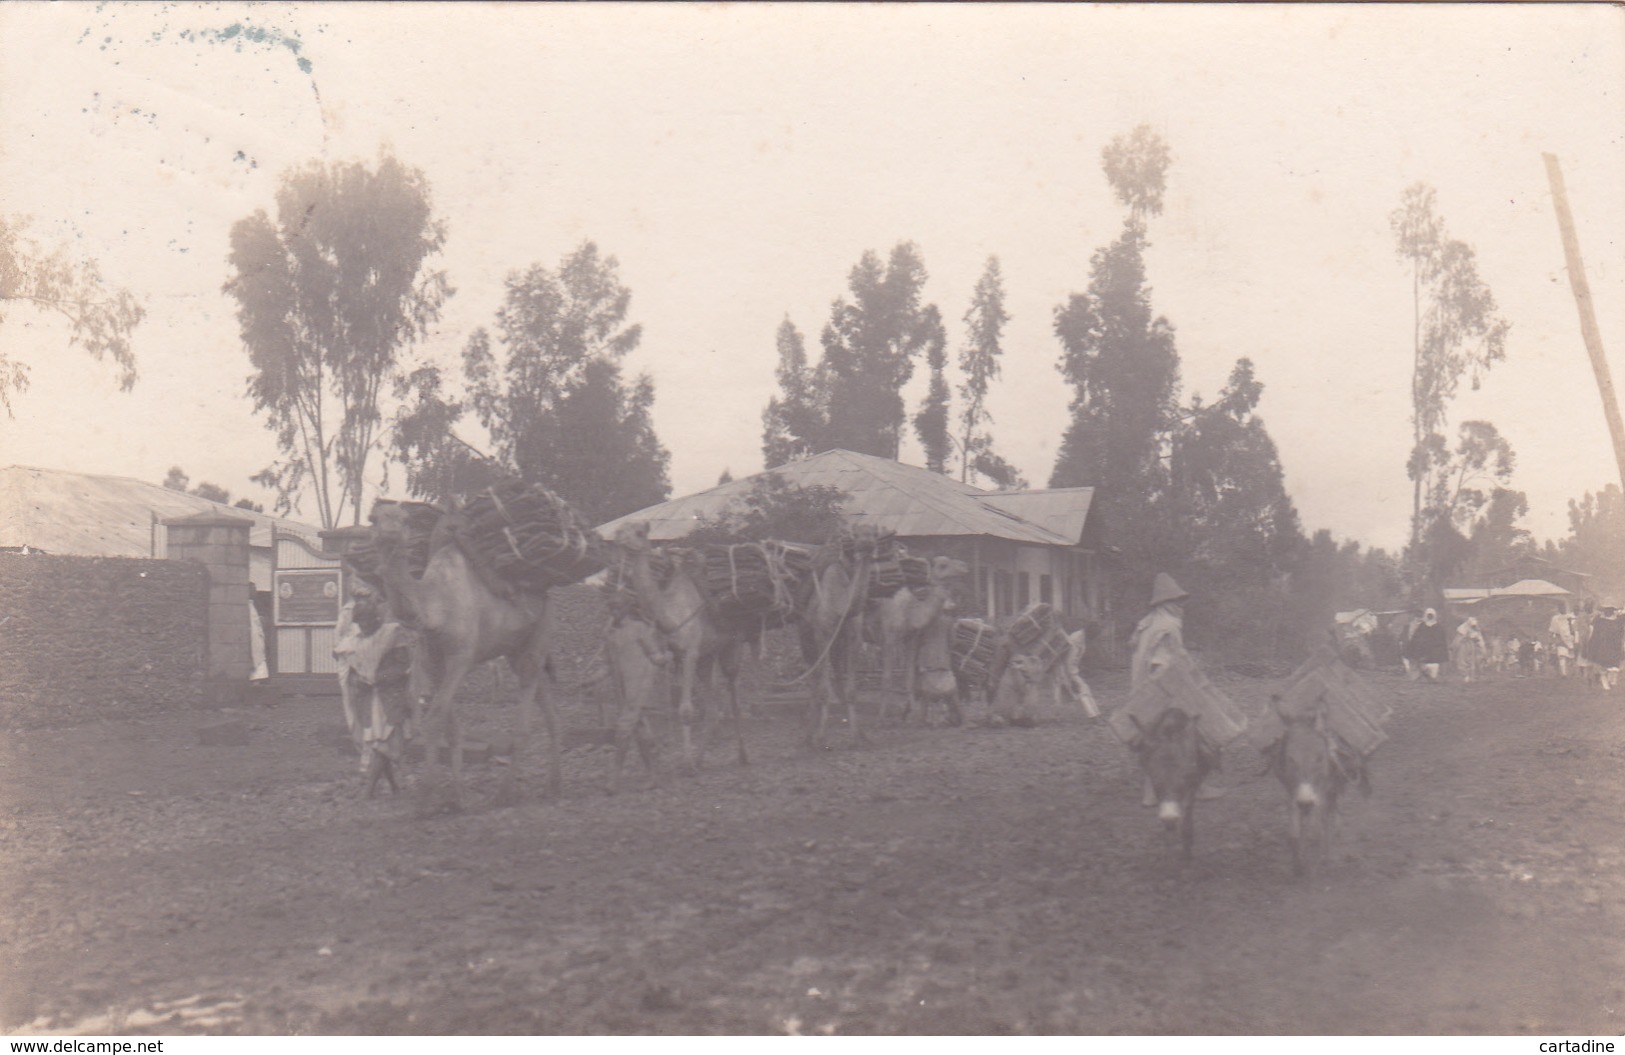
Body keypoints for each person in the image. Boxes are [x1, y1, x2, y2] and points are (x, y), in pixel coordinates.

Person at [1127, 573, 1219, 804]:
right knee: (1196, 729)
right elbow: (1166, 662)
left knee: (1153, 738)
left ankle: (1150, 794)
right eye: (1176, 601)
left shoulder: (1147, 624)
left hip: (1143, 690)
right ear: (1165, 603)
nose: (1180, 606)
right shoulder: (1169, 625)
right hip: (1162, 688)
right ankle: (1198, 786)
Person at [1583, 602, 1623, 692]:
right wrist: (1590, 643)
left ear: (1612, 611)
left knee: (1614, 668)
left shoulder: (1618, 621)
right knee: (1603, 667)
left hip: (1614, 646)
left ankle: (1610, 682)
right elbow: (1592, 632)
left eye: (1609, 610)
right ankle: (1606, 687)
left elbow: (1621, 633)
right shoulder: (1599, 621)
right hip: (1602, 646)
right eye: (1606, 610)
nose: (1607, 611)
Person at [1404, 608, 1448, 682]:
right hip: (1422, 649)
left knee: (1434, 666)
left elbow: (1441, 640)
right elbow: (1416, 638)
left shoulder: (1438, 627)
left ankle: (1434, 677)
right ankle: (1421, 676)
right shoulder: (1422, 626)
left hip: (1434, 650)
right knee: (1420, 662)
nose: (1430, 617)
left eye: (1431, 615)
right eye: (1428, 615)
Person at [1451, 616, 1487, 683]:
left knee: (1472, 661)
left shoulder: (1477, 630)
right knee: (1463, 660)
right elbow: (1458, 640)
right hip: (1464, 647)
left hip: (1472, 647)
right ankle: (1465, 676)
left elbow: (1480, 640)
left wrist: (1480, 646)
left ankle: (1472, 677)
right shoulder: (1462, 629)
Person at [1548, 606, 1576, 679]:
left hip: (1571, 639)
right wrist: (1551, 641)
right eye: (1561, 608)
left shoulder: (1571, 617)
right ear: (1559, 609)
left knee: (1571, 657)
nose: (1562, 609)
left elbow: (1574, 629)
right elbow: (1552, 630)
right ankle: (1564, 673)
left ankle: (1572, 673)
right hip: (1560, 639)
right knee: (1562, 656)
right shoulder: (1555, 618)